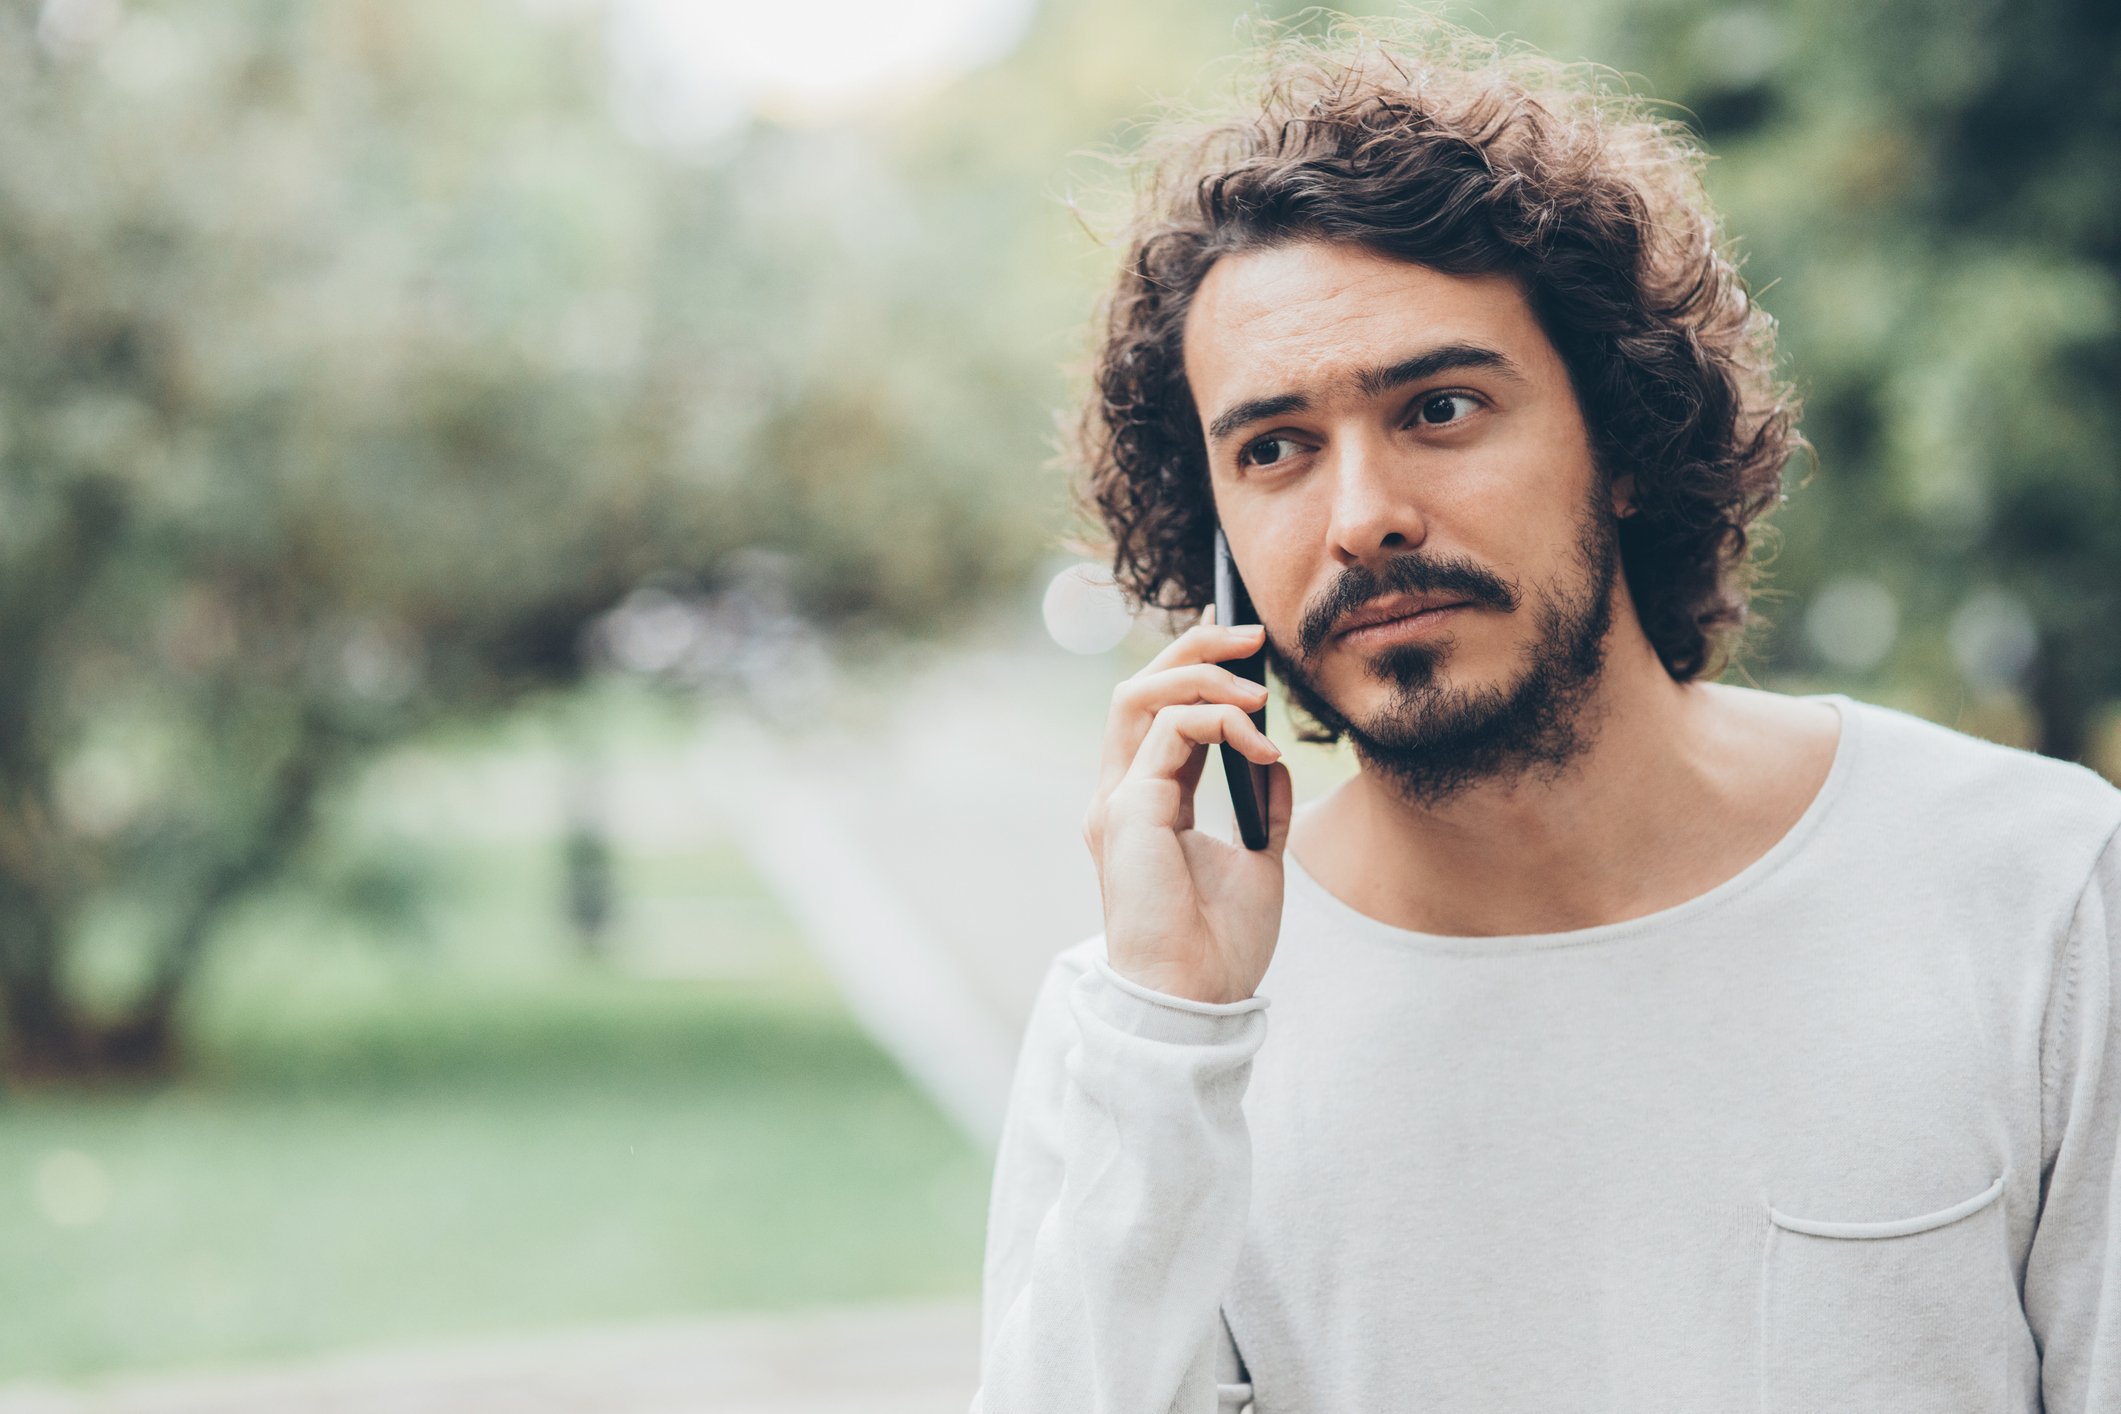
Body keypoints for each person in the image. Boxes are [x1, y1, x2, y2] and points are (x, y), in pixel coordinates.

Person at [971, 17, 2121, 1414]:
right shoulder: (1151, 1027)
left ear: (1624, 438)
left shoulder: (2040, 889)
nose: (1361, 518)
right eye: (1271, 450)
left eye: (1439, 407)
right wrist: (1173, 1037)